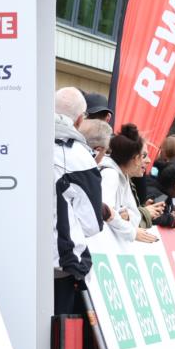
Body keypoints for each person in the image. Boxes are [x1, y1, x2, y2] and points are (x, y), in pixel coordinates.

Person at [53, 87, 110, 315]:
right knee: (59, 344)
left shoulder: (18, 142)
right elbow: (91, 224)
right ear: (79, 120)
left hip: (14, 258)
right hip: (60, 265)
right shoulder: (80, 158)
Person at [99, 124, 162, 243]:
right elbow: (104, 211)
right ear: (134, 158)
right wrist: (131, 231)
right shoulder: (110, 175)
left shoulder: (123, 176)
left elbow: (134, 217)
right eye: (144, 156)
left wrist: (127, 217)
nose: (148, 161)